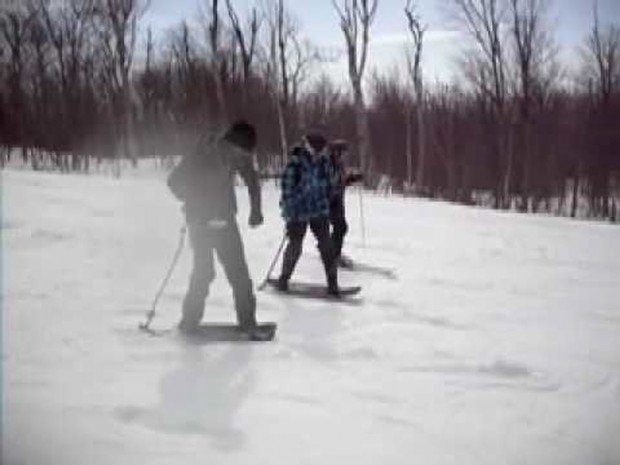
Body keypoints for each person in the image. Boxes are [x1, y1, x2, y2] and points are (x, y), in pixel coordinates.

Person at [167, 120, 270, 339]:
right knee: (204, 273)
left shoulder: (237, 156)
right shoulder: (200, 154)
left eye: (246, 154)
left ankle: (248, 323)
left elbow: (252, 179)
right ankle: (189, 322)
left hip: (225, 220)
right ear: (231, 144)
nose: (243, 158)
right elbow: (174, 181)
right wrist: (195, 204)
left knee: (239, 274)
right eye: (242, 153)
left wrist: (256, 210)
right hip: (200, 223)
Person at [277, 132, 339, 295]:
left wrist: (330, 193)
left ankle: (333, 283)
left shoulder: (324, 163)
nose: (318, 153)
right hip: (298, 212)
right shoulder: (295, 164)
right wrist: (290, 212)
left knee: (327, 245)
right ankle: (284, 278)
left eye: (321, 150)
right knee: (295, 246)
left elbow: (329, 184)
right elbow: (287, 192)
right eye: (315, 150)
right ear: (308, 146)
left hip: (319, 210)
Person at [327, 140, 362, 267]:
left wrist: (353, 178)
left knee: (341, 228)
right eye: (344, 153)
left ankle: (332, 253)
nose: (346, 156)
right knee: (340, 227)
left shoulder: (339, 164)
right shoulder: (328, 165)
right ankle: (331, 255)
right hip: (328, 202)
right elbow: (330, 184)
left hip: (337, 201)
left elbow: (341, 182)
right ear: (337, 152)